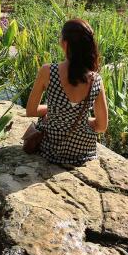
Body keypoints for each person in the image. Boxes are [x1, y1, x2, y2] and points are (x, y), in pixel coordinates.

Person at [25, 18, 108, 165]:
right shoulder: (96, 79)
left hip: (51, 149)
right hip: (83, 150)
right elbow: (101, 126)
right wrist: (78, 118)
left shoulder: (48, 71)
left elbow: (31, 110)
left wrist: (57, 111)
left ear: (65, 43)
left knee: (40, 123)